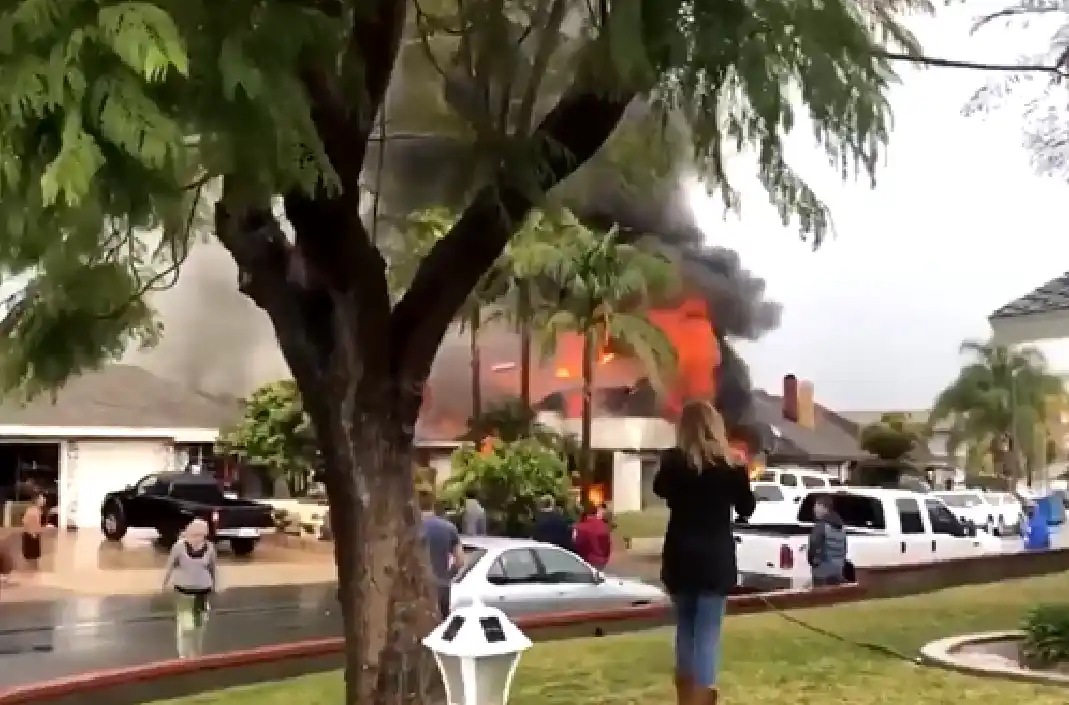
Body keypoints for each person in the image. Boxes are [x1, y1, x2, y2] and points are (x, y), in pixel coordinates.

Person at [654, 400, 756, 705]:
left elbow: (660, 489)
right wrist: (742, 471)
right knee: (708, 634)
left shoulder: (673, 463)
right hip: (714, 559)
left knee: (686, 629)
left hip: (680, 557)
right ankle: (701, 698)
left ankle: (686, 698)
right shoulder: (730, 466)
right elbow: (746, 507)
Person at [162, 519, 218, 658]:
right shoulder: (179, 547)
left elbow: (212, 567)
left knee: (199, 625)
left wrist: (215, 585)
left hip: (202, 592)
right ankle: (184, 655)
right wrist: (165, 582)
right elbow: (170, 565)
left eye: (201, 535)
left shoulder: (209, 548)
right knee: (186, 626)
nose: (197, 538)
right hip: (184, 592)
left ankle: (196, 653)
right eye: (195, 534)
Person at [420, 490, 462, 618]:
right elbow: (460, 561)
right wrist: (447, 577)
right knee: (441, 626)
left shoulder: (412, 528)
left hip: (419, 590)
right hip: (442, 587)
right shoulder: (449, 528)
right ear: (433, 504)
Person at [807, 495, 848, 587]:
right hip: (838, 571)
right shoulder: (842, 527)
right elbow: (844, 549)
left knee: (820, 595)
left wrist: (813, 562)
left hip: (822, 572)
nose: (814, 509)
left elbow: (813, 548)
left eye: (816, 506)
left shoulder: (820, 526)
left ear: (824, 507)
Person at [573, 503, 611, 569]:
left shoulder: (580, 527)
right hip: (602, 560)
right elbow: (608, 544)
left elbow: (576, 544)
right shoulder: (604, 525)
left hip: (587, 561)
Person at [21, 492, 46, 571]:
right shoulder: (32, 510)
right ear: (37, 500)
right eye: (41, 498)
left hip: (34, 535)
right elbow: (25, 522)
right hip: (30, 535)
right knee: (31, 559)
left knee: (35, 558)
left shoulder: (38, 510)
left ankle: (34, 572)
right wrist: (32, 533)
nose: (44, 500)